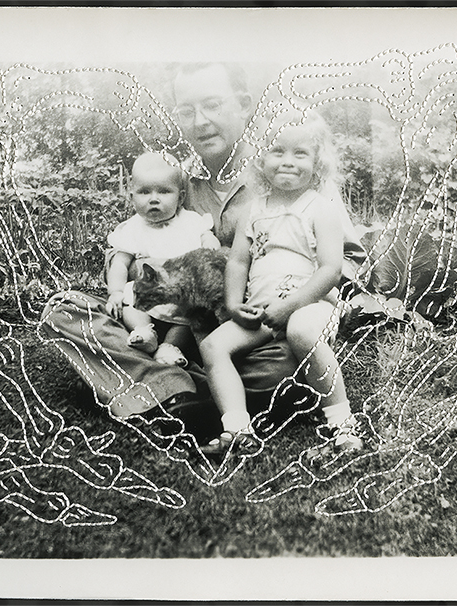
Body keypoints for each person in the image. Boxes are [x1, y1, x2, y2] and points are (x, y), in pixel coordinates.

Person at [39, 62, 364, 481]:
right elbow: (136, 249)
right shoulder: (174, 179)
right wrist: (151, 272)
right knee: (66, 310)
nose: (200, 121)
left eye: (212, 105)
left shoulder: (289, 166)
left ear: (243, 105)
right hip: (185, 325)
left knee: (286, 359)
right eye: (186, 110)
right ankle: (186, 387)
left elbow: (347, 261)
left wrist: (293, 298)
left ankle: (169, 389)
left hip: (271, 325)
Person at [198, 113, 364, 464]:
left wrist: (291, 307)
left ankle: (342, 423)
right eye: (277, 151)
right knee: (213, 346)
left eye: (300, 153)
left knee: (301, 331)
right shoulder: (253, 210)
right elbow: (238, 262)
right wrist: (234, 305)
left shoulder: (321, 209)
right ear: (260, 159)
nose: (287, 161)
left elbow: (331, 270)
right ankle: (237, 429)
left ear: (317, 163)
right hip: (261, 310)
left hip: (310, 305)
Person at [105, 152, 220, 367]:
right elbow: (119, 263)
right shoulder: (133, 228)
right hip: (146, 296)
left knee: (192, 316)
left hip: (181, 298)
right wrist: (116, 292)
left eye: (164, 191)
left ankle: (170, 346)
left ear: (181, 197)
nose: (154, 199)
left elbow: (207, 236)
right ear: (132, 196)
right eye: (144, 192)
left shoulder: (191, 221)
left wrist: (209, 242)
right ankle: (143, 332)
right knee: (130, 298)